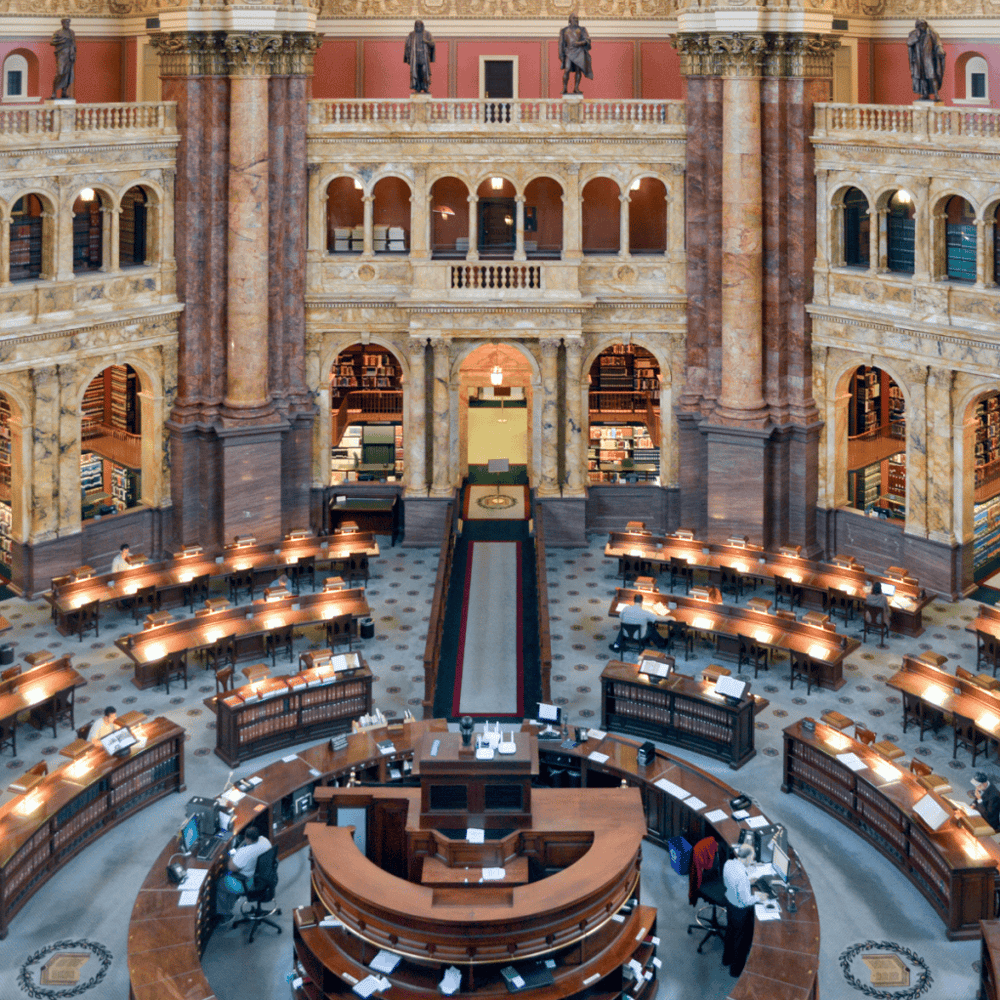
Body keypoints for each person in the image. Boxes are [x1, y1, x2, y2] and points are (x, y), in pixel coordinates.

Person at [215, 825, 273, 921]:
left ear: (246, 838)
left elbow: (231, 867)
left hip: (248, 883)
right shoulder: (265, 840)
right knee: (230, 878)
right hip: (264, 878)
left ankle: (226, 915)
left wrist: (231, 856)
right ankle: (231, 905)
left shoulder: (244, 852)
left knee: (221, 883)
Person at [722, 843, 755, 978]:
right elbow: (746, 901)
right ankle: (735, 971)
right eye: (752, 858)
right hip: (740, 911)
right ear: (747, 858)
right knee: (741, 941)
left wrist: (747, 882)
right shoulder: (742, 877)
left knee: (730, 931)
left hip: (729, 903)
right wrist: (759, 897)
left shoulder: (728, 863)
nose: (752, 860)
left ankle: (726, 959)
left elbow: (730, 882)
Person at [907, 19, 945, 102]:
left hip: (929, 58)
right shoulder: (913, 34)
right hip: (918, 59)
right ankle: (925, 94)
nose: (921, 26)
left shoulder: (932, 33)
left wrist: (940, 49)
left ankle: (936, 94)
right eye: (919, 25)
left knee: (932, 76)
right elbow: (909, 43)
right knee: (922, 77)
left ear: (926, 24)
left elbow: (938, 43)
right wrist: (916, 37)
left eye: (923, 24)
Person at [559, 15, 592, 95]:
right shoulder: (564, 30)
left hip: (579, 51)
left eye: (577, 18)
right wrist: (561, 54)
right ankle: (565, 88)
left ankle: (576, 88)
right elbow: (561, 43)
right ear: (570, 20)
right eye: (574, 18)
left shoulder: (582, 29)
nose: (576, 20)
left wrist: (579, 43)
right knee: (567, 69)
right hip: (569, 51)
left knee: (578, 70)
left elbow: (587, 40)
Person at [404, 20, 435, 94]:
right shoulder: (412, 34)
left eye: (419, 25)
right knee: (416, 72)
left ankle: (425, 87)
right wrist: (407, 57)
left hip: (424, 56)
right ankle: (417, 88)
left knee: (424, 72)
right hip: (415, 56)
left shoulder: (427, 34)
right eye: (417, 25)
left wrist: (427, 41)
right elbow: (407, 45)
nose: (418, 27)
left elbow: (432, 44)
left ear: (422, 26)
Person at [49, 18, 76, 100]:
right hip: (61, 54)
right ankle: (54, 92)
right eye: (66, 23)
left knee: (68, 74)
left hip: (69, 55)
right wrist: (61, 41)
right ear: (62, 23)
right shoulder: (57, 32)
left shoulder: (72, 32)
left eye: (68, 23)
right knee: (60, 73)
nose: (68, 24)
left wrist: (73, 54)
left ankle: (64, 92)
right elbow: (52, 42)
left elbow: (73, 44)